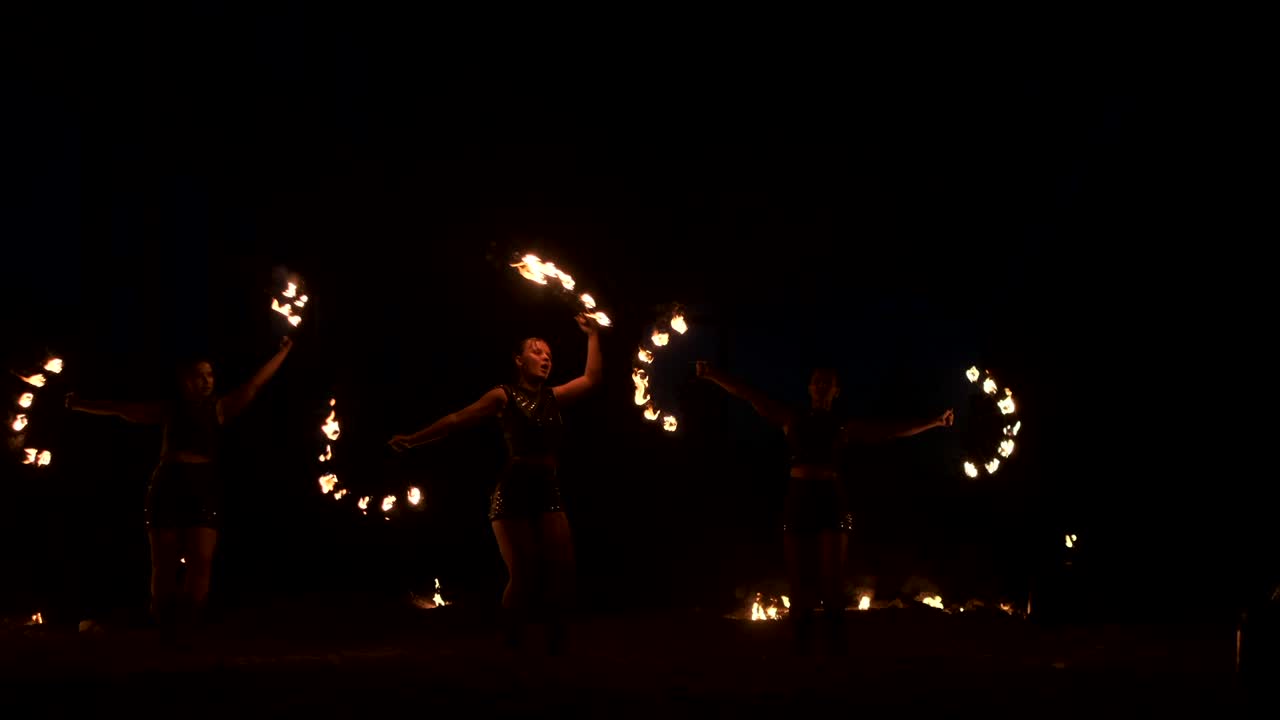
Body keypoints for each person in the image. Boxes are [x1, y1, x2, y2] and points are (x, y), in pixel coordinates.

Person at [696, 361, 952, 653]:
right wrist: (713, 374)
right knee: (798, 579)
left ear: (836, 391)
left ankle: (835, 647)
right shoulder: (792, 418)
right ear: (809, 387)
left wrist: (934, 422)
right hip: (798, 499)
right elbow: (748, 394)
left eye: (827, 382)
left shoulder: (842, 425)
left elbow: (889, 431)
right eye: (816, 381)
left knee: (832, 580)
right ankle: (801, 648)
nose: (821, 386)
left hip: (831, 500)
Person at [390, 315, 602, 653]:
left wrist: (592, 334)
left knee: (563, 567)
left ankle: (558, 644)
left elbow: (592, 379)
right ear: (519, 360)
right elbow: (458, 418)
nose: (545, 357)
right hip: (514, 490)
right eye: (536, 351)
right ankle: (513, 641)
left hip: (548, 487)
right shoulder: (503, 395)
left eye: (549, 353)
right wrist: (415, 439)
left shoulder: (553, 397)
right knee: (525, 572)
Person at [66, 337, 294, 643]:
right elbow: (123, 409)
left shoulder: (220, 408)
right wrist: (81, 404)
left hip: (203, 485)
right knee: (165, 561)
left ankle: (188, 625)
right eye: (200, 375)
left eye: (210, 375)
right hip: (169, 483)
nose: (206, 380)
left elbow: (254, 385)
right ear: (186, 380)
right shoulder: (170, 409)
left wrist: (282, 352)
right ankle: (163, 624)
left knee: (201, 558)